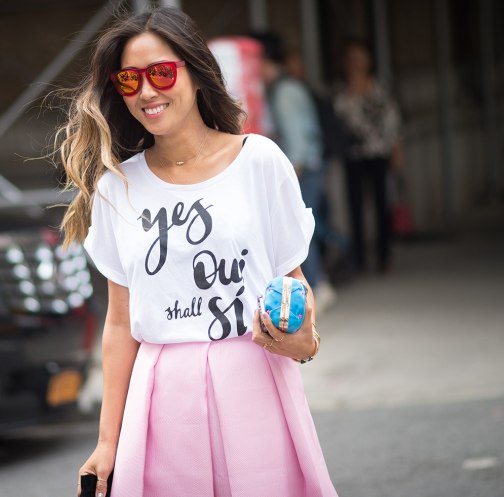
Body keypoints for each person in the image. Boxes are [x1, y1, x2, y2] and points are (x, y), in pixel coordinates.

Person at [56, 8, 337, 497]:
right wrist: (107, 442)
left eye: (161, 72)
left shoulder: (260, 162)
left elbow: (294, 286)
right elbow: (120, 325)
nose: (146, 91)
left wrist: (304, 342)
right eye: (129, 79)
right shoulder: (116, 188)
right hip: (160, 400)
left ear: (197, 71)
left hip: (255, 382)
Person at [252, 32, 337, 311]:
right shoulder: (286, 88)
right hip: (311, 166)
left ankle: (318, 288)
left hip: (304, 169)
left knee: (299, 230)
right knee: (310, 226)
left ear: (264, 63)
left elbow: (297, 143)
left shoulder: (284, 93)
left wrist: (288, 179)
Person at [333, 40, 403, 274]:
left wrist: (396, 150)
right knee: (355, 206)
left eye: (360, 57)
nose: (356, 62)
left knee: (382, 204)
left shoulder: (379, 88)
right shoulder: (341, 92)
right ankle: (360, 258)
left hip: (378, 152)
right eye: (351, 57)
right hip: (353, 156)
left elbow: (393, 122)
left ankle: (385, 256)